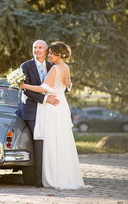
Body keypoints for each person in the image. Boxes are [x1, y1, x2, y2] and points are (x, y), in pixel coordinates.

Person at [20, 42, 92, 190]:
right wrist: (69, 86)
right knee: (61, 140)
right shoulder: (66, 66)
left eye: (50, 53)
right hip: (59, 106)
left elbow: (43, 88)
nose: (48, 55)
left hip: (52, 107)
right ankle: (63, 175)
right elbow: (65, 85)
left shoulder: (53, 68)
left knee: (52, 141)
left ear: (58, 54)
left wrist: (23, 85)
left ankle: (53, 177)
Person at [18, 40, 60, 187]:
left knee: (49, 143)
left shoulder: (52, 66)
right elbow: (26, 90)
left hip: (48, 112)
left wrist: (68, 84)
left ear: (46, 50)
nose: (37, 50)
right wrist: (45, 99)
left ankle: (50, 176)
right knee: (38, 143)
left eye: (40, 48)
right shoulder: (25, 66)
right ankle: (38, 180)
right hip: (31, 111)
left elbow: (60, 86)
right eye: (34, 47)